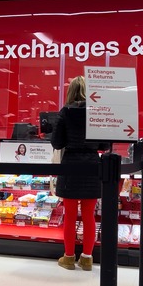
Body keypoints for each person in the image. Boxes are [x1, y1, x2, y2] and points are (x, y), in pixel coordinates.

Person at [50, 76, 102, 271]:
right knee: (89, 215)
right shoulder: (97, 112)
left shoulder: (65, 113)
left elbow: (57, 143)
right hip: (92, 165)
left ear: (70, 92)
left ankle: (69, 257)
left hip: (71, 165)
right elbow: (105, 144)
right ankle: (87, 258)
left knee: (70, 215)